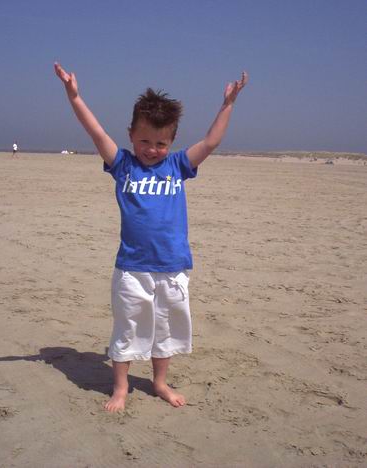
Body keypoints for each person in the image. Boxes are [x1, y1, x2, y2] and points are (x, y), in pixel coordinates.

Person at [54, 62, 247, 412]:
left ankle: (159, 382)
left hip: (172, 267)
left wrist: (228, 104)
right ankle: (121, 388)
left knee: (166, 329)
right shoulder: (123, 165)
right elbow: (96, 132)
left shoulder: (178, 166)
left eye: (160, 142)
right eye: (144, 140)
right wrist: (75, 97)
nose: (152, 149)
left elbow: (212, 141)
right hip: (132, 268)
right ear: (131, 135)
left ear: (171, 141)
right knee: (127, 328)